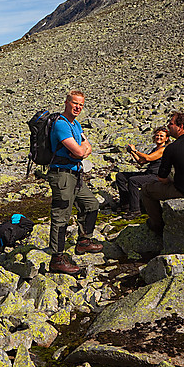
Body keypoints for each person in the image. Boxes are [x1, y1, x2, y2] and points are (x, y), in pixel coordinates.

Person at [46, 90, 103, 275]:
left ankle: (84, 241)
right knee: (61, 214)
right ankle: (57, 257)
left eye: (81, 104)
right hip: (61, 175)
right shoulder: (61, 124)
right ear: (67, 102)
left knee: (91, 204)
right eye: (74, 103)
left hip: (75, 174)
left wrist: (82, 151)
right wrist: (81, 151)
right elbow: (79, 152)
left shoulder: (76, 124)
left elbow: (86, 148)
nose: (78, 107)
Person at [115, 126, 169, 218]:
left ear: (166, 138)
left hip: (157, 176)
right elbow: (141, 161)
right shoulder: (155, 149)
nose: (158, 137)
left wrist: (135, 150)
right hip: (149, 173)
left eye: (161, 136)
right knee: (120, 176)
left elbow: (148, 158)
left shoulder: (163, 149)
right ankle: (125, 204)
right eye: (157, 135)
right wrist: (132, 152)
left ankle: (135, 210)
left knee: (133, 181)